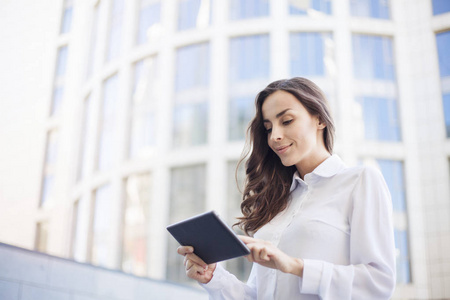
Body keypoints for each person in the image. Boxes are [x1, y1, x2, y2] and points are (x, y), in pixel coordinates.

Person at [177, 77, 396, 299]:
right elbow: (259, 294)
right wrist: (213, 278)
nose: (275, 136)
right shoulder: (278, 200)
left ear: (319, 119)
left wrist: (294, 266)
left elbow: (378, 283)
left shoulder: (359, 181)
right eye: (268, 128)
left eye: (287, 121)